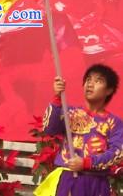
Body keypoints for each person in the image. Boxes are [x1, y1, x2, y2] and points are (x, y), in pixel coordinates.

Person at [36, 64, 123, 196]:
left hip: (96, 184)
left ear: (109, 90)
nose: (90, 84)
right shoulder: (70, 113)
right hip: (68, 180)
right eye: (88, 80)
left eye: (98, 81)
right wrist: (57, 98)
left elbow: (117, 154)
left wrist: (86, 163)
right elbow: (49, 128)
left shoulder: (115, 123)